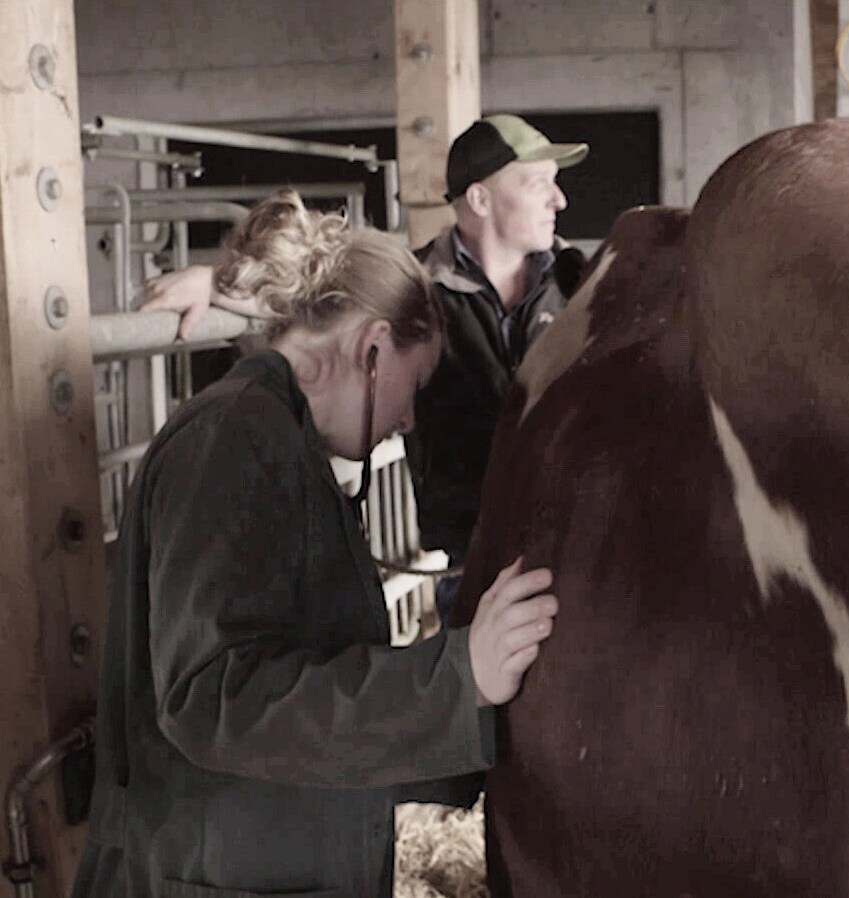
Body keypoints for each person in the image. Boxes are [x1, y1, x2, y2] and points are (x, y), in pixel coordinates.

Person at [72, 190, 560, 898]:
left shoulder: (280, 440)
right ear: (370, 348)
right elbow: (214, 700)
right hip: (209, 872)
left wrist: (482, 728)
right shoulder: (233, 440)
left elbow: (310, 685)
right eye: (413, 385)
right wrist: (456, 680)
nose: (407, 420)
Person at [140, 115, 589, 622]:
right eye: (539, 185)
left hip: (576, 548)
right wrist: (218, 285)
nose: (559, 200)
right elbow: (327, 304)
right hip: (471, 558)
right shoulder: (413, 293)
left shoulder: (587, 289)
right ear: (480, 200)